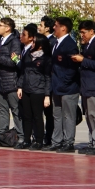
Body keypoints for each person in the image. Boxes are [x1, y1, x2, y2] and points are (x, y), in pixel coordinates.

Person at [71, 20, 95, 155]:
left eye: (84, 32)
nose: (82, 35)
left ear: (92, 31)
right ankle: (92, 142)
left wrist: (83, 60)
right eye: (80, 32)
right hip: (87, 86)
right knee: (90, 116)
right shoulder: (87, 45)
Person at [44, 17, 79, 153]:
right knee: (56, 115)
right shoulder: (56, 43)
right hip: (56, 86)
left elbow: (72, 68)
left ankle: (68, 142)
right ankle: (56, 141)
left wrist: (64, 83)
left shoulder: (70, 44)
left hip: (68, 88)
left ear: (63, 28)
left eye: (56, 25)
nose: (54, 27)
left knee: (68, 116)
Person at [0, 17, 24, 147]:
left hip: (11, 81)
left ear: (8, 28)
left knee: (16, 110)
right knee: (1, 110)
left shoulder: (14, 42)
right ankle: (1, 136)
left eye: (0, 25)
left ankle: (21, 137)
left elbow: (13, 62)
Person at [17, 33, 50, 151]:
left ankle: (39, 140)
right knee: (26, 116)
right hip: (26, 89)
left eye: (35, 42)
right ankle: (26, 140)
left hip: (38, 90)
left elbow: (47, 78)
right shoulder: (28, 55)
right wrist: (20, 87)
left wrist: (47, 95)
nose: (32, 44)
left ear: (40, 45)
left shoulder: (45, 58)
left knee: (37, 116)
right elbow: (23, 72)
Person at [38, 15, 56, 147]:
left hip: (49, 81)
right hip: (39, 82)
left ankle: (49, 138)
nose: (39, 27)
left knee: (50, 113)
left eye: (41, 25)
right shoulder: (41, 41)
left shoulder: (52, 42)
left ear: (47, 28)